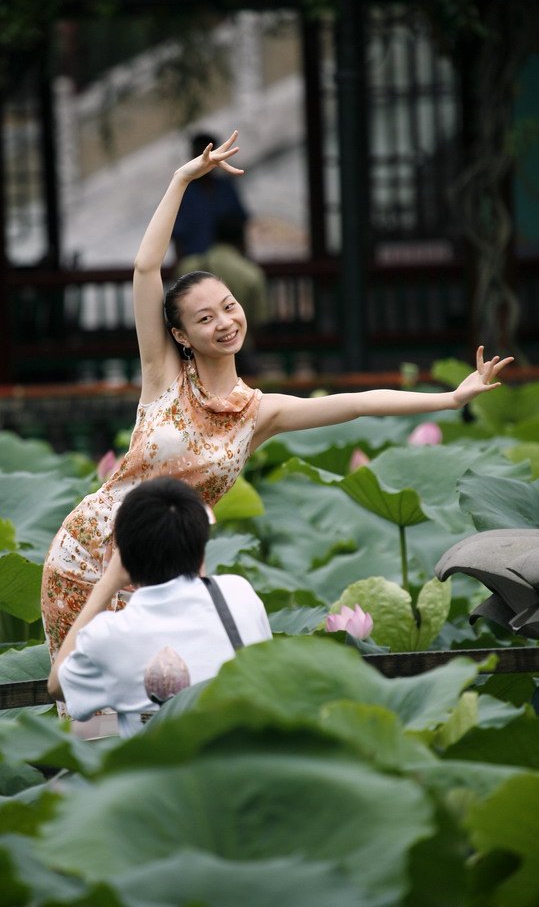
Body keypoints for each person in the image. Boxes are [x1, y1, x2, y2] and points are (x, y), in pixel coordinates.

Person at [41, 129, 513, 663]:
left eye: (229, 306)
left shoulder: (258, 412)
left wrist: (450, 400)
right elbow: (147, 268)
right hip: (86, 555)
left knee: (157, 707)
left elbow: (357, 403)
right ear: (180, 335)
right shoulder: (164, 377)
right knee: (87, 713)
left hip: (162, 577)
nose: (224, 322)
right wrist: (181, 180)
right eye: (204, 317)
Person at [47, 477, 272, 735]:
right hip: (246, 767)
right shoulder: (239, 594)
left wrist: (107, 582)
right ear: (201, 545)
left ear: (127, 556)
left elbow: (56, 685)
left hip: (162, 771)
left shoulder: (109, 636)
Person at [175, 211, 269, 374]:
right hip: (239, 353)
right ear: (242, 238)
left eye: (229, 306)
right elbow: (259, 321)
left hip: (193, 353)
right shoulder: (250, 274)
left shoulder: (187, 266)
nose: (223, 323)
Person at [171, 132, 249, 258]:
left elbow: (241, 226)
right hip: (195, 263)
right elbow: (176, 235)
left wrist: (244, 258)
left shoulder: (226, 188)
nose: (204, 161)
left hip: (227, 261)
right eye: (200, 155)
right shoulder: (183, 192)